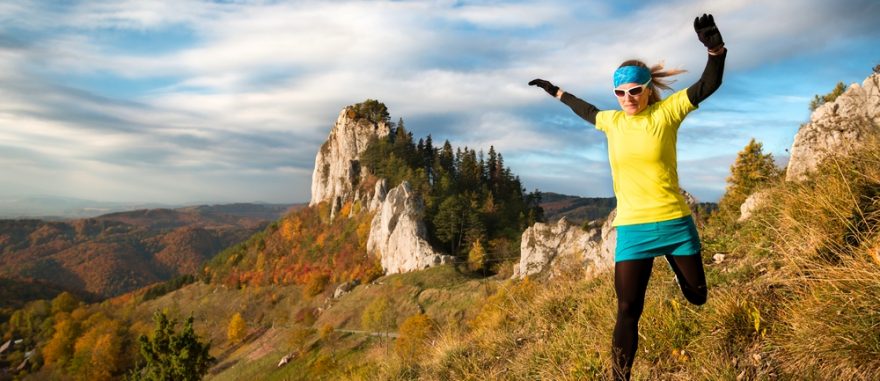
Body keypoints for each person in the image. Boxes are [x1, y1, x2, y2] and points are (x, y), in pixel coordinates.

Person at [528, 13, 726, 381]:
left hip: (674, 224)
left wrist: (715, 50)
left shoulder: (667, 113)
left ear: (648, 89)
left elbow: (708, 85)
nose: (627, 98)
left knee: (699, 297)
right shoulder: (612, 122)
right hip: (633, 230)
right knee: (627, 309)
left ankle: (676, 264)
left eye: (634, 90)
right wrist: (555, 91)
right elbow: (584, 109)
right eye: (619, 92)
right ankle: (619, 378)